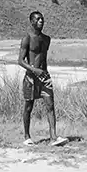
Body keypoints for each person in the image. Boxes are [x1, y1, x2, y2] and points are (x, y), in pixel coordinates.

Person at [17, 10, 57, 144]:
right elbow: (20, 61)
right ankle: (27, 137)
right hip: (31, 77)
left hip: (45, 77)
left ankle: (53, 137)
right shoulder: (27, 39)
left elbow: (43, 58)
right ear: (31, 21)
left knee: (50, 106)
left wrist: (42, 71)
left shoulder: (47, 39)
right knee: (28, 107)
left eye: (42, 19)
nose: (41, 21)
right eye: (38, 19)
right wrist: (34, 70)